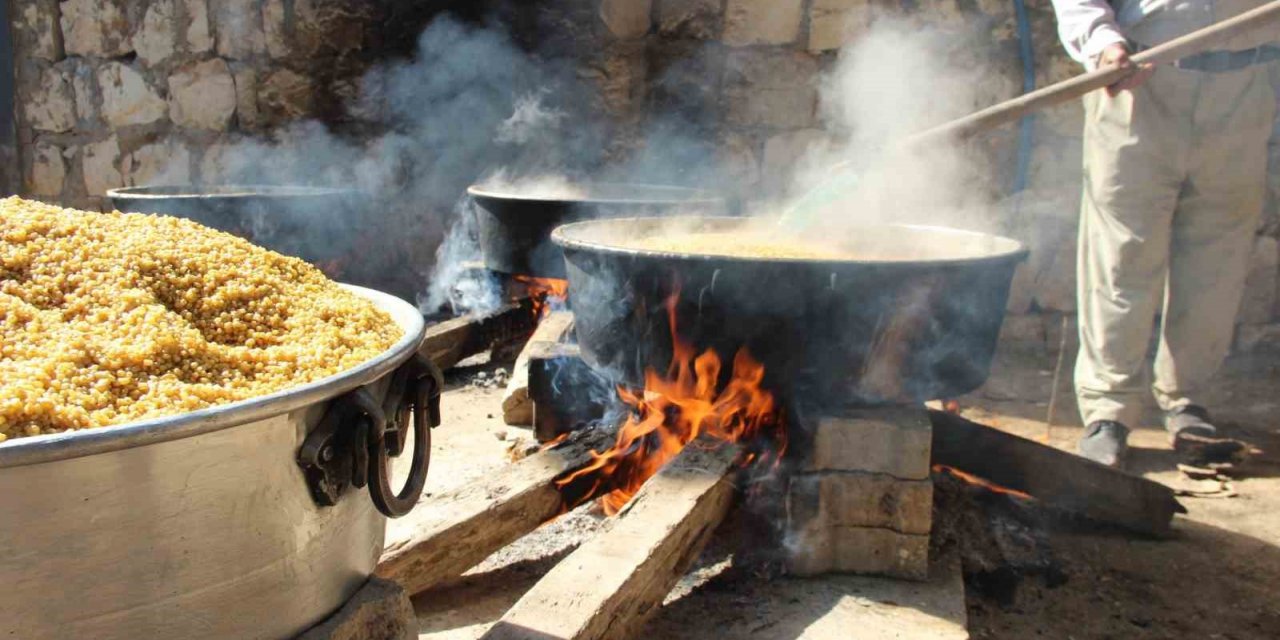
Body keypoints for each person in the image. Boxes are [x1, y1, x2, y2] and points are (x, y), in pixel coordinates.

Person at [1049, 0, 1280, 466]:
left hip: (1245, 84)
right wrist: (1101, 40)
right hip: (1140, 78)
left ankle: (1187, 402)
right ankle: (1108, 410)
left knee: (1218, 256)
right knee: (1121, 254)